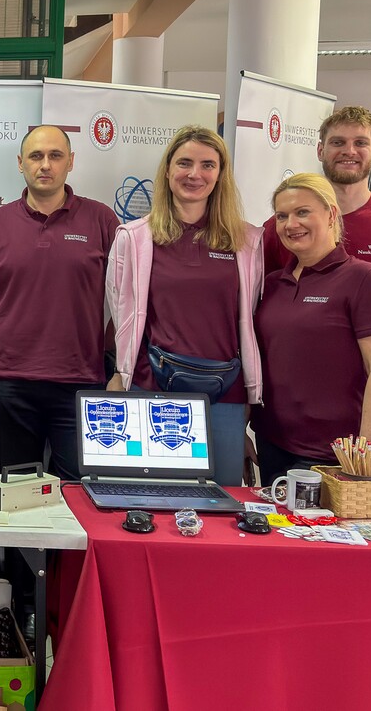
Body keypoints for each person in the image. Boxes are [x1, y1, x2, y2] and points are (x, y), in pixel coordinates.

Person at [262, 105, 371, 438]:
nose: (349, 151)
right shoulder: (282, 229)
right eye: (337, 142)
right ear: (320, 150)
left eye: (360, 142)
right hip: (293, 411)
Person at [106, 126, 263, 486]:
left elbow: (251, 318)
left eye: (208, 165)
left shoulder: (247, 241)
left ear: (220, 174)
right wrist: (120, 373)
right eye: (184, 163)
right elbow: (122, 313)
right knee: (153, 498)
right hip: (153, 386)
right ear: (167, 170)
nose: (195, 174)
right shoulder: (134, 238)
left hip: (225, 394)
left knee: (222, 500)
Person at [0, 125, 118, 480]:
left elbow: (127, 299)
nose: (45, 165)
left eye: (55, 156)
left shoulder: (101, 219)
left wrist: (119, 367)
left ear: (70, 162)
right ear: (21, 163)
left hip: (81, 383)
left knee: (81, 492)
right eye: (36, 156)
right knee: (18, 494)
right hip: (10, 383)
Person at [254, 173, 371, 484]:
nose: (291, 224)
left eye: (302, 212)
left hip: (334, 456)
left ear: (331, 214)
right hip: (273, 445)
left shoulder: (364, 279)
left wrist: (363, 458)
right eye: (282, 216)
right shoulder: (272, 284)